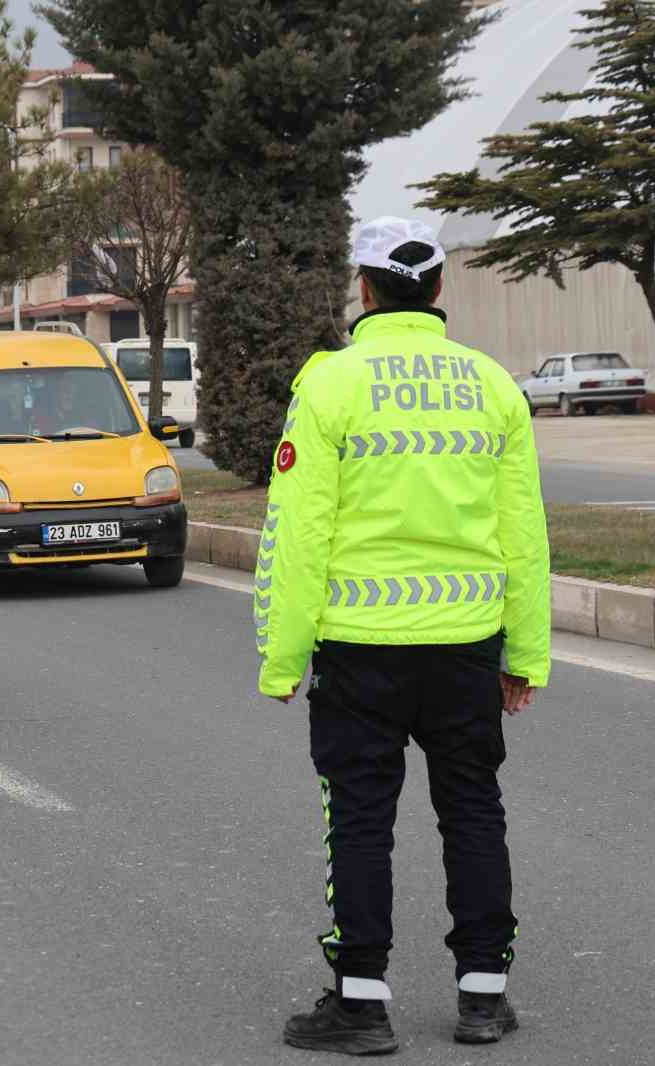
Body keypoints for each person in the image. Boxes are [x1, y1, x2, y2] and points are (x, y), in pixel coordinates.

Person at [254, 216, 551, 1054]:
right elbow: (523, 534)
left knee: (357, 819)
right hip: (466, 646)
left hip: (358, 650)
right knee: (473, 810)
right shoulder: (492, 385)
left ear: (365, 288)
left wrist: (281, 657)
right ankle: (483, 997)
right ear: (440, 290)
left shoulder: (330, 386)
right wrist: (524, 653)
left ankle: (360, 1005)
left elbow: (297, 535)